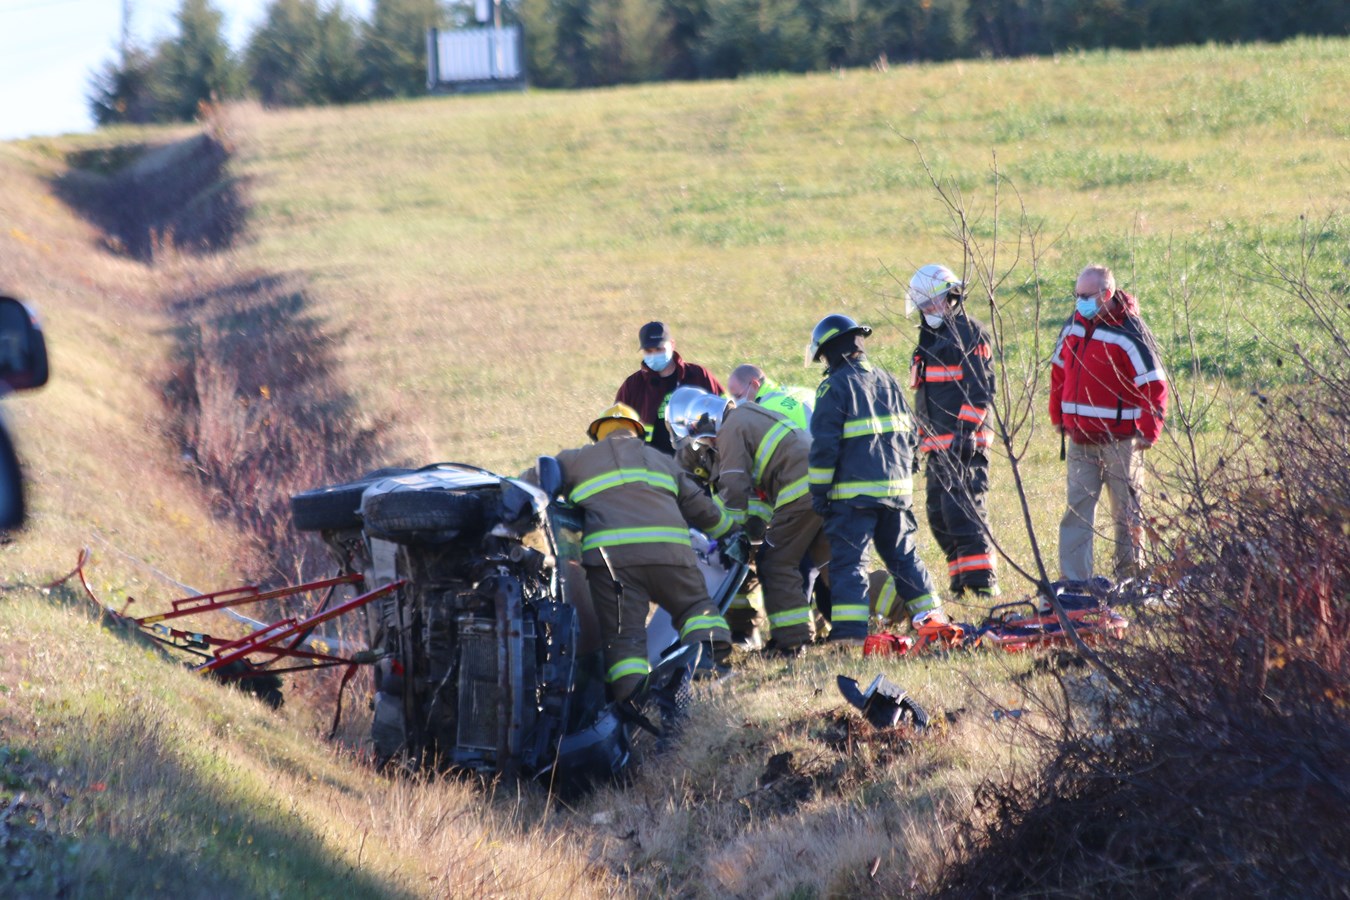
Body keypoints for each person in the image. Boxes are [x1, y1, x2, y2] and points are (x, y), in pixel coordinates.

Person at [554, 402, 737, 702]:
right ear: (637, 433)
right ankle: (705, 663)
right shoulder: (661, 460)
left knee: (625, 638)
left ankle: (637, 702)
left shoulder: (575, 460)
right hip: (672, 555)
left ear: (598, 434)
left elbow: (536, 477)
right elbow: (703, 509)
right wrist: (731, 533)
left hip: (613, 566)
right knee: (695, 608)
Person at [806, 314, 946, 644]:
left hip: (852, 499)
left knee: (849, 564)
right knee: (905, 559)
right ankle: (934, 623)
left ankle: (850, 636)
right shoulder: (889, 381)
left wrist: (819, 493)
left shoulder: (832, 387)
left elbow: (824, 449)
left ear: (830, 353)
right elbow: (913, 433)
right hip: (897, 492)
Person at [667, 386, 829, 656]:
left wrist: (731, 533)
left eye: (703, 439)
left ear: (703, 424)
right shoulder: (746, 414)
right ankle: (854, 631)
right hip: (821, 483)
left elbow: (734, 485)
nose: (706, 445)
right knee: (831, 563)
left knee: (775, 561)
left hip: (798, 490)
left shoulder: (730, 430)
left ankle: (792, 642)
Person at [1049, 264, 1167, 583]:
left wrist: (1148, 431)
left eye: (1085, 296)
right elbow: (1058, 372)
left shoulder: (1131, 332)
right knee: (1076, 512)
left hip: (1122, 441)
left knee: (1126, 514)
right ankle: (1074, 583)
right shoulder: (1074, 326)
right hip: (1080, 439)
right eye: (1076, 295)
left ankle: (1131, 578)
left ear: (1107, 294)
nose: (1079, 302)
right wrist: (1058, 417)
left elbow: (1154, 385)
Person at [906, 264, 1000, 604]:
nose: (928, 310)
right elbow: (926, 397)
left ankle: (982, 583)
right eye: (923, 304)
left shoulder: (969, 333)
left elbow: (981, 389)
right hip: (937, 445)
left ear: (949, 297)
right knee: (939, 515)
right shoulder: (928, 339)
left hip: (963, 442)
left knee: (965, 512)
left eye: (932, 302)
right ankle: (961, 581)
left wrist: (965, 432)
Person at [616, 321, 723, 455]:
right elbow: (617, 427)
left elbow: (724, 411)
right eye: (648, 351)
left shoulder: (698, 375)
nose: (654, 355)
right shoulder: (633, 385)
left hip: (696, 460)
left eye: (659, 349)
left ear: (672, 344)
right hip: (651, 463)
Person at [726, 364, 815, 431]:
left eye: (738, 396)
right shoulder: (797, 391)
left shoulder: (763, 411)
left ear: (754, 385)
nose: (736, 402)